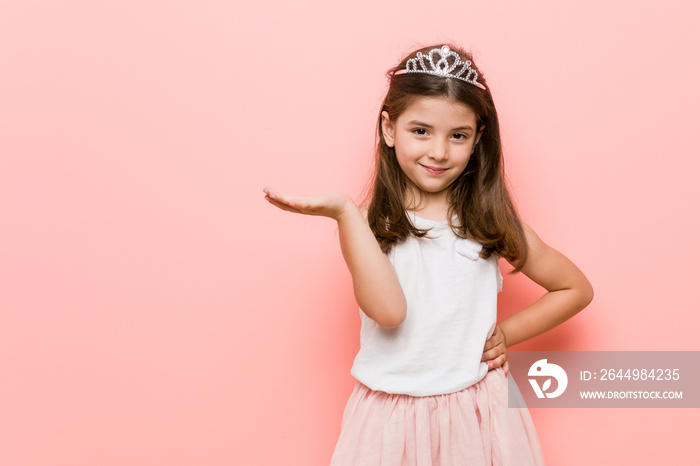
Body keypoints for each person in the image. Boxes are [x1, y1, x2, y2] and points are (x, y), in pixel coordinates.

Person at [263, 43, 593, 465]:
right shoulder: (367, 226)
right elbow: (389, 312)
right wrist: (345, 213)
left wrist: (506, 334)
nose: (439, 151)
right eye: (421, 131)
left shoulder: (487, 224)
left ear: (477, 140)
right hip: (390, 422)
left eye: (458, 136)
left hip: (474, 417)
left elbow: (574, 288)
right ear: (388, 129)